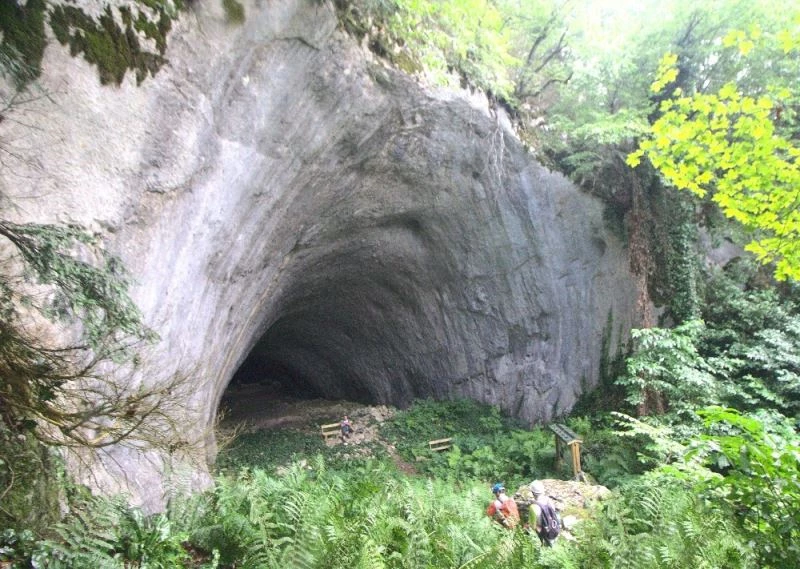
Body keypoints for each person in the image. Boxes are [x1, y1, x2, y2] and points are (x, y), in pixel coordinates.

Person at [529, 480, 560, 546]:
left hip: (544, 532)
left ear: (533, 493)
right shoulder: (549, 500)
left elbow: (533, 526)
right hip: (553, 527)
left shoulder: (533, 507)